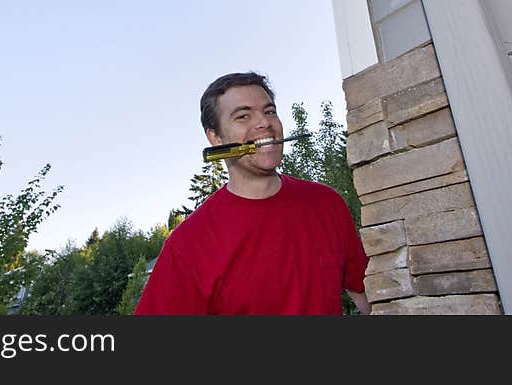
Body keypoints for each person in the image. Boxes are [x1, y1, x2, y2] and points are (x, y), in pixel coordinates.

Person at [135, 72, 370, 315]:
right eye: (243, 116)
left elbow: (371, 295)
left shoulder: (326, 204)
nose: (264, 123)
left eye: (269, 111)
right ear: (215, 138)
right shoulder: (187, 244)